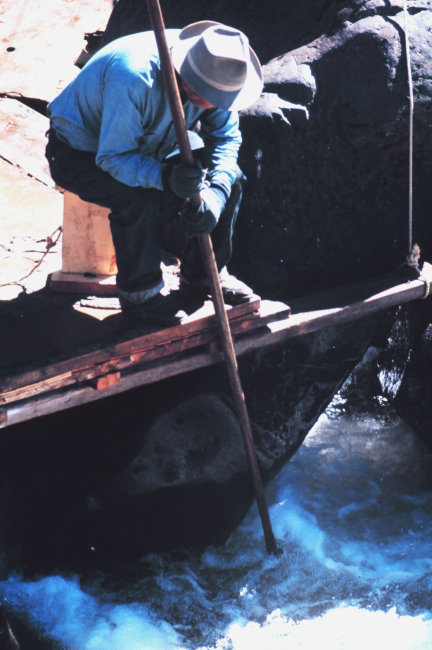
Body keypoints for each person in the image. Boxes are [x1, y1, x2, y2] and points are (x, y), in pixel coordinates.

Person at [45, 21, 263, 325]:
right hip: (81, 150)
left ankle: (204, 275)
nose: (217, 106)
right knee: (138, 197)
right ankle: (141, 295)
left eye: (222, 100)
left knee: (233, 178)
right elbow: (114, 157)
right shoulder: (134, 76)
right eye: (208, 99)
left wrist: (216, 193)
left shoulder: (221, 72)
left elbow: (226, 140)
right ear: (187, 82)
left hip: (155, 142)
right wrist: (164, 178)